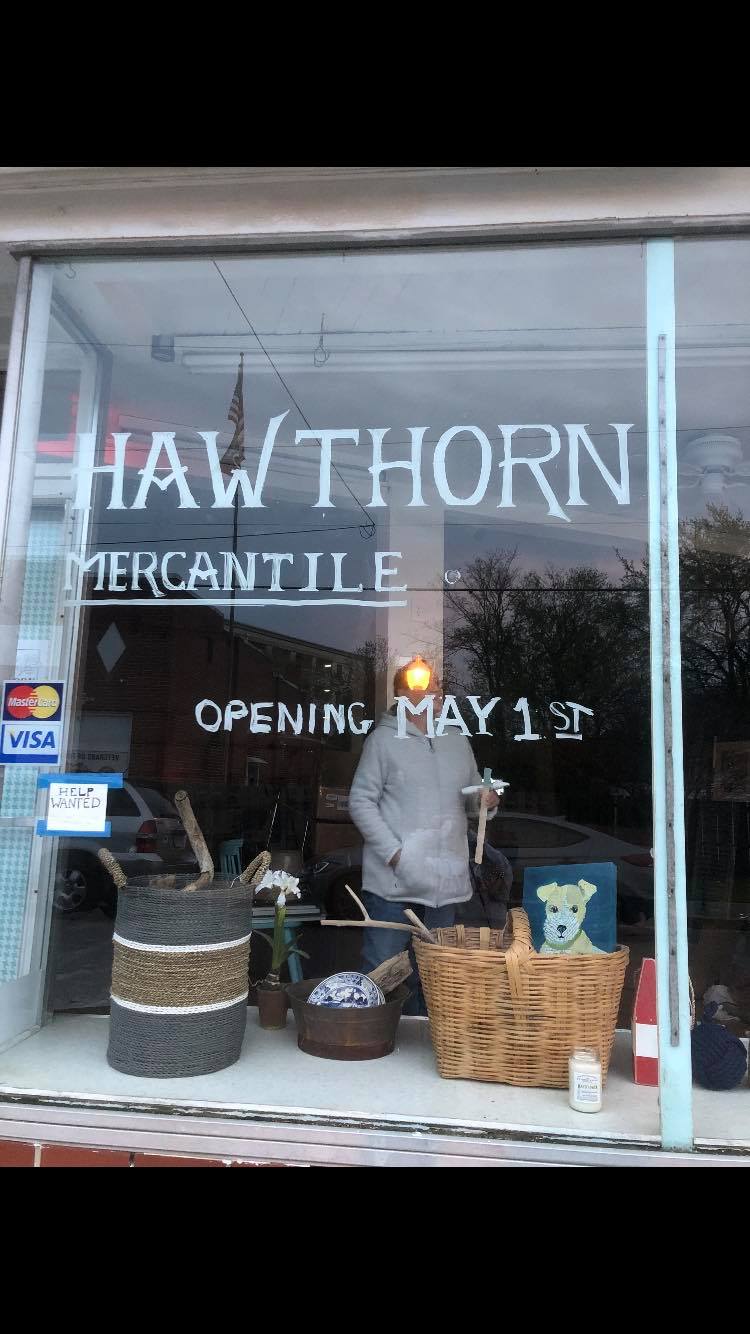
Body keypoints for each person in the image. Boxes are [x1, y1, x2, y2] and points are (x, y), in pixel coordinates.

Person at [348, 660, 500, 1014]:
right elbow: (360, 801)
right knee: (382, 975)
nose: (435, 694)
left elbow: (472, 798)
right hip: (393, 886)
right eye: (425, 688)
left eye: (437, 689)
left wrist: (486, 800)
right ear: (401, 695)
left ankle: (425, 1040)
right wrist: (395, 854)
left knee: (434, 978)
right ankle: (374, 1038)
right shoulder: (382, 741)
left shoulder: (457, 741)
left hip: (445, 885)